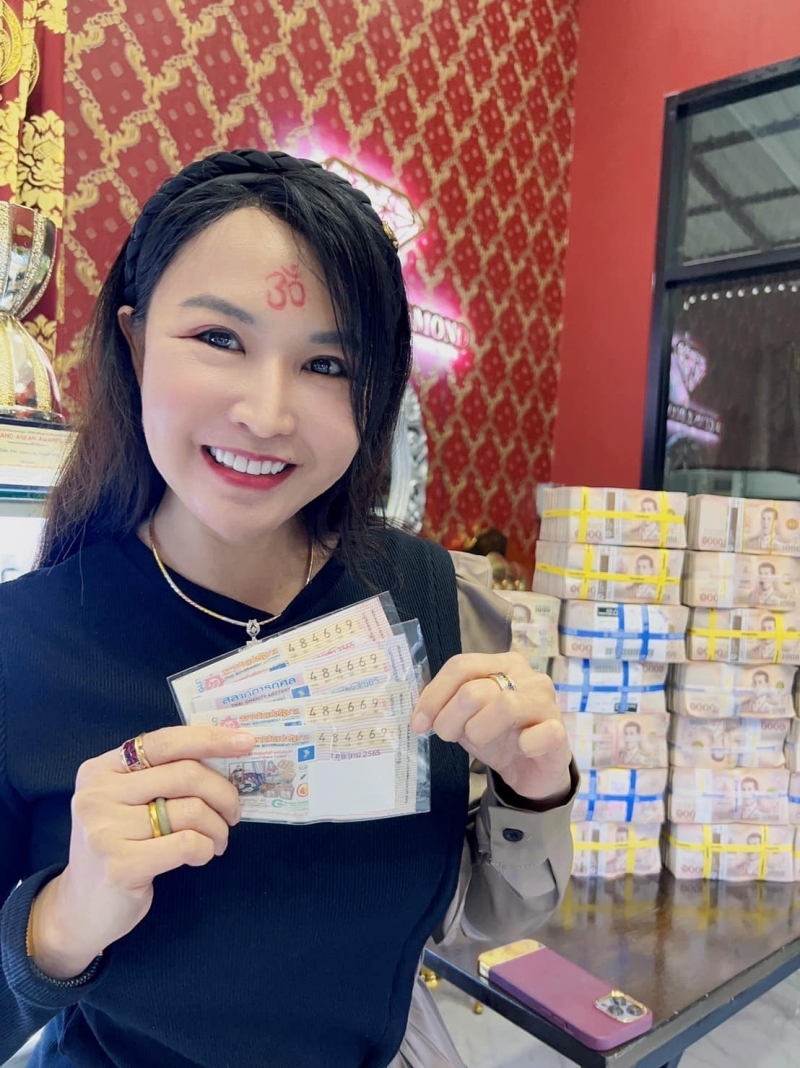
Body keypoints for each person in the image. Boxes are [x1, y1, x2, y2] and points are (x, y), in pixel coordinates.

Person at [0, 149, 577, 1068]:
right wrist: (64, 919)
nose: (267, 414)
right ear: (137, 342)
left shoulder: (436, 603)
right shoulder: (23, 647)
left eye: (326, 362)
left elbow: (468, 920)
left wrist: (533, 789)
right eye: (219, 339)